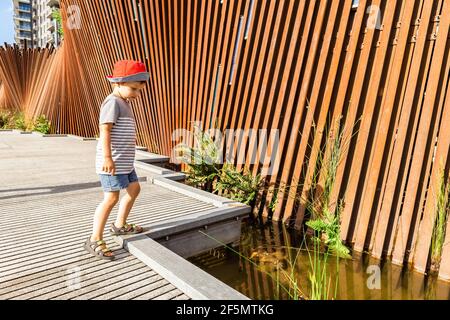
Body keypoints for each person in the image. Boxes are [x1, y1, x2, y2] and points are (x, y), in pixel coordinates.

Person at [84, 60, 149, 260]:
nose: (137, 94)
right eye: (133, 89)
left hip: (125, 163)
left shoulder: (124, 102)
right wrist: (107, 157)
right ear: (118, 83)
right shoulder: (112, 101)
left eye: (139, 90)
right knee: (110, 198)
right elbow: (105, 129)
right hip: (112, 163)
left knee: (134, 189)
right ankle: (94, 238)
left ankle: (119, 225)